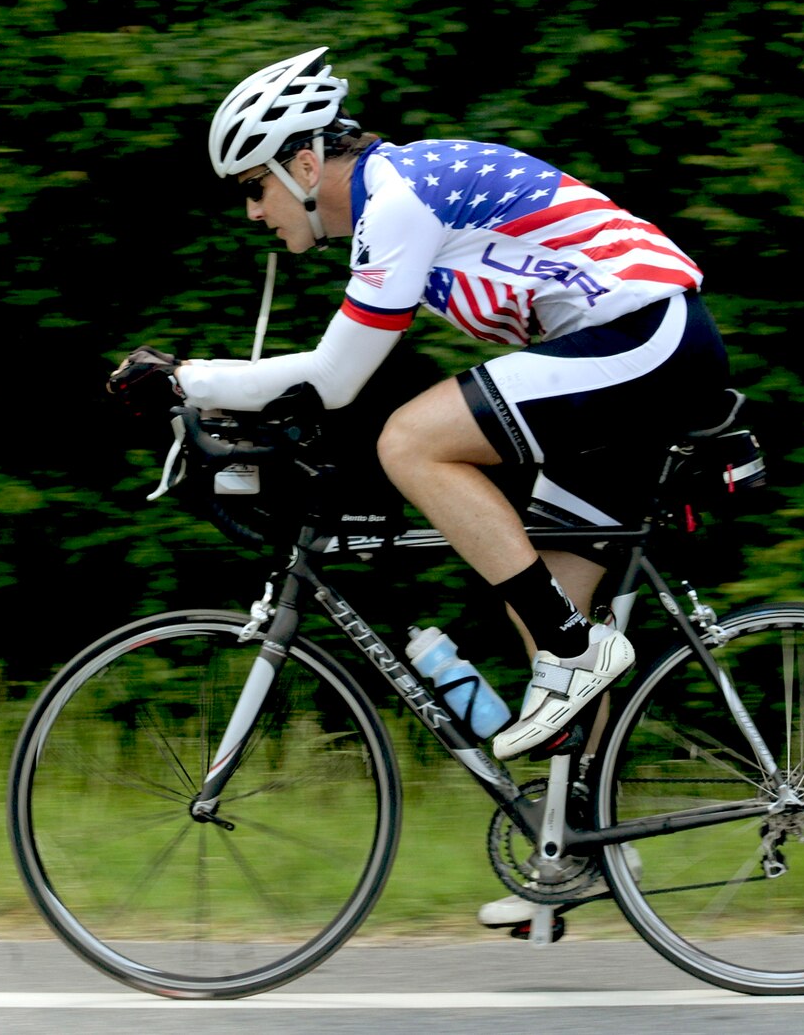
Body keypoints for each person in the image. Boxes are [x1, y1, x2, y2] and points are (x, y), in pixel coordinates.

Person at [105, 47, 730, 923]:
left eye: (255, 188)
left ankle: (578, 656)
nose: (252, 212)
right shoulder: (393, 205)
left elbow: (333, 379)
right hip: (621, 349)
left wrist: (185, 379)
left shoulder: (396, 201)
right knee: (542, 603)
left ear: (305, 162)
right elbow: (334, 386)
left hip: (642, 337)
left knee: (415, 444)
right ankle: (573, 850)